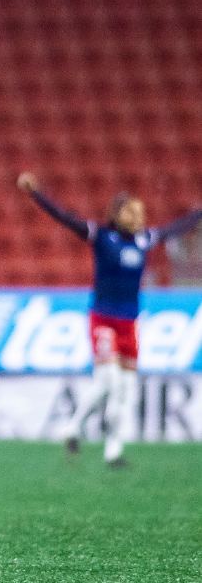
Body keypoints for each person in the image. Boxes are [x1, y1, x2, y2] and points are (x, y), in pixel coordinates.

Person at [17, 172, 201, 467]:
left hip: (129, 323)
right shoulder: (101, 236)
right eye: (131, 211)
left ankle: (111, 448)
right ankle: (75, 426)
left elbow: (176, 228)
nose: (138, 217)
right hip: (103, 320)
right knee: (108, 382)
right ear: (116, 214)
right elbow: (64, 218)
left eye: (140, 212)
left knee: (126, 390)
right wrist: (36, 193)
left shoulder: (145, 240)